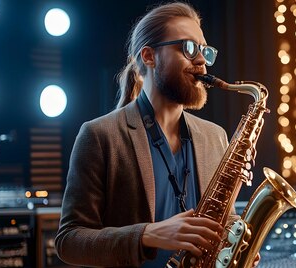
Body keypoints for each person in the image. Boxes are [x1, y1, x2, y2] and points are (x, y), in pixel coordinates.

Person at [56, 2, 257, 267]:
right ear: (149, 56)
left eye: (205, 51)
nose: (201, 61)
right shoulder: (99, 135)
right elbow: (69, 241)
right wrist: (148, 235)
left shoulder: (215, 136)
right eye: (188, 48)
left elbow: (222, 220)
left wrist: (235, 247)